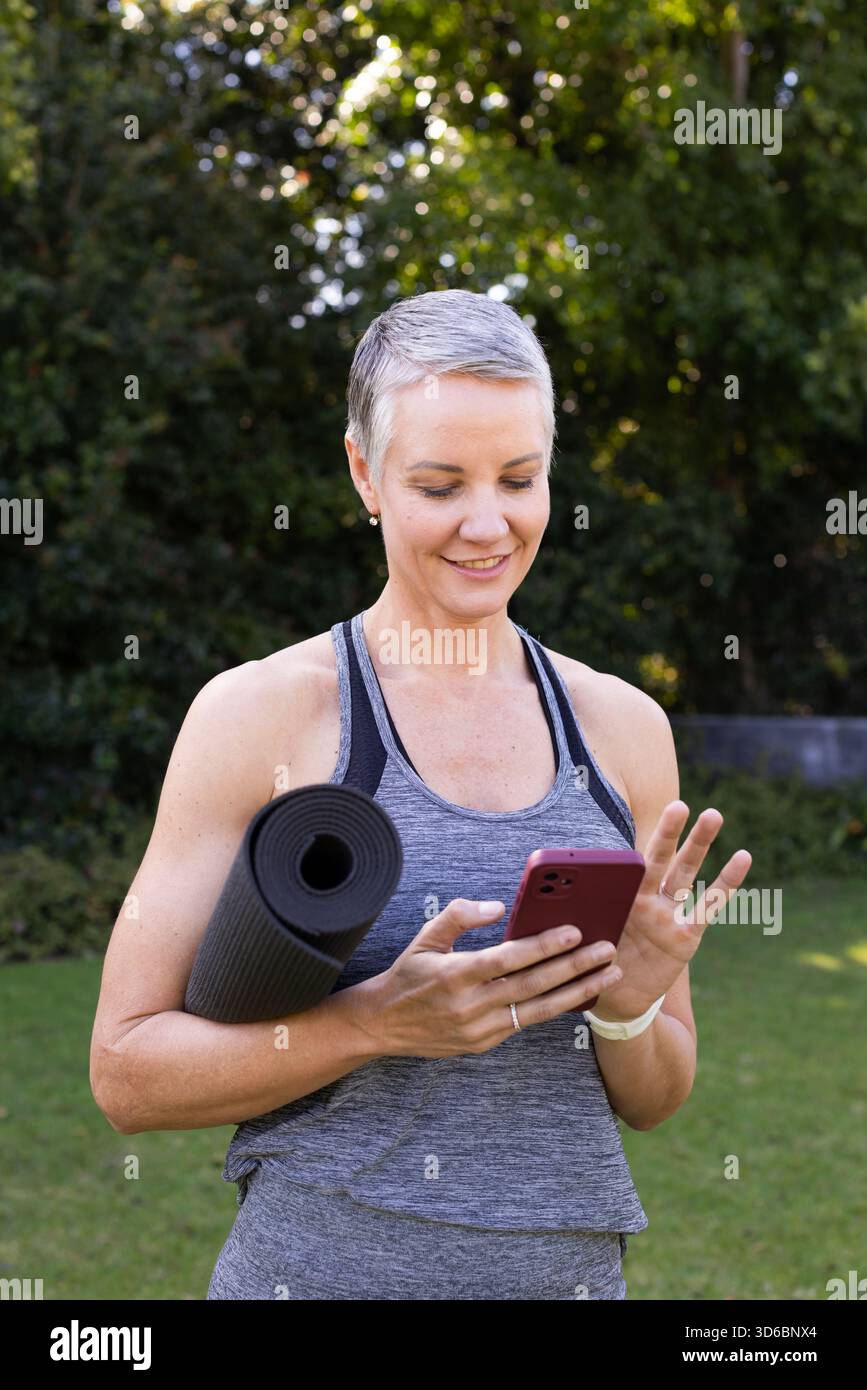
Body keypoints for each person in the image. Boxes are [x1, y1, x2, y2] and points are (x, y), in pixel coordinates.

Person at [89, 288, 752, 1300]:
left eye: (519, 479)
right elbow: (126, 1072)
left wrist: (628, 1005)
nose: (488, 525)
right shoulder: (264, 716)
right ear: (365, 472)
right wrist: (374, 1023)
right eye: (440, 484)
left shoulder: (622, 729)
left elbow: (656, 1096)